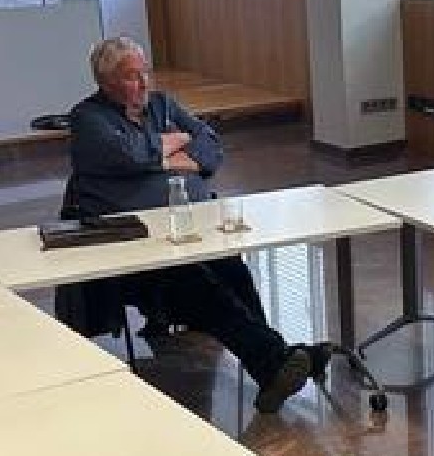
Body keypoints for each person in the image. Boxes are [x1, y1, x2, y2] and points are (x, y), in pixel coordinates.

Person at [54, 35, 318, 413]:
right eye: (131, 77)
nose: (143, 83)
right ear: (106, 82)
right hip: (131, 246)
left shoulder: (163, 105)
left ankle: (273, 361)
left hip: (187, 228)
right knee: (196, 284)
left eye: (145, 73)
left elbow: (210, 145)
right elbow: (126, 156)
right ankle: (276, 360)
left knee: (231, 269)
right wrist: (173, 145)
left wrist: (160, 157)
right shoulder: (88, 119)